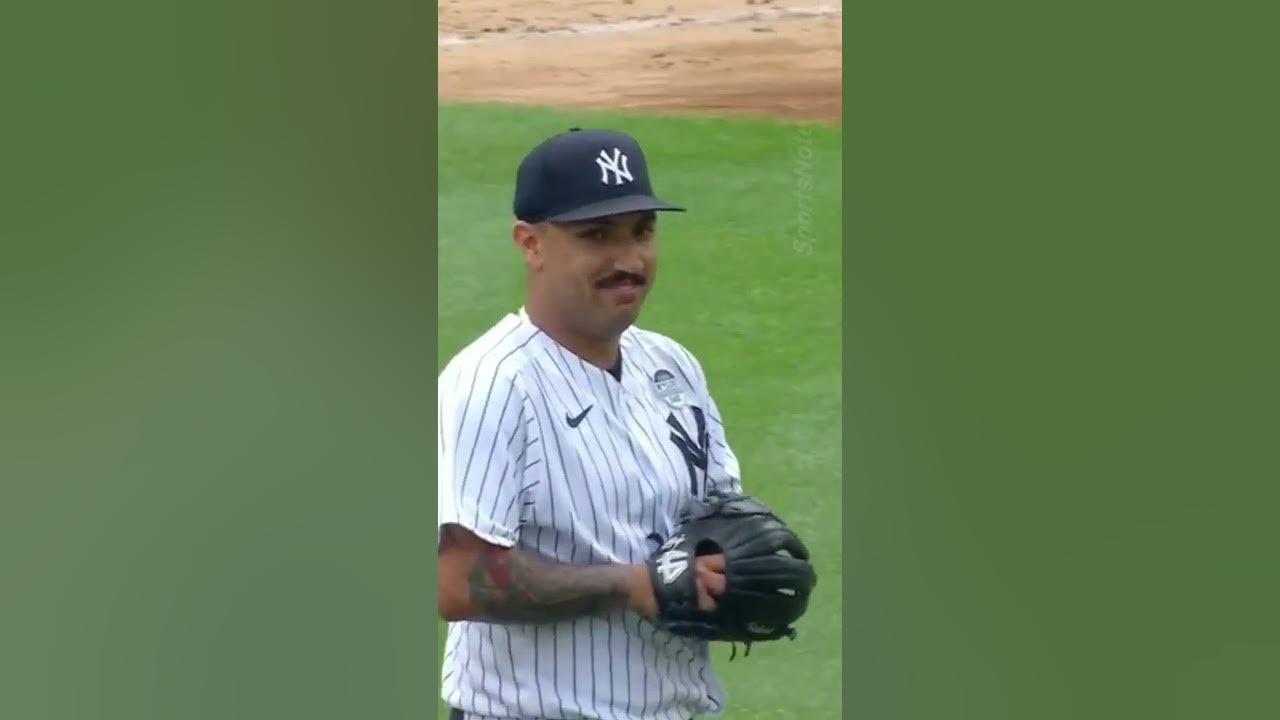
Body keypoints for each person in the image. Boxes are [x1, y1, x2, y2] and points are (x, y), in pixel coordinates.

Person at [438, 127, 745, 720]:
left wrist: (729, 567)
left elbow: (719, 511)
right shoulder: (493, 384)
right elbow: (459, 579)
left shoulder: (672, 365)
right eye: (596, 236)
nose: (628, 260)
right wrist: (631, 584)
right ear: (531, 244)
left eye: (642, 232)